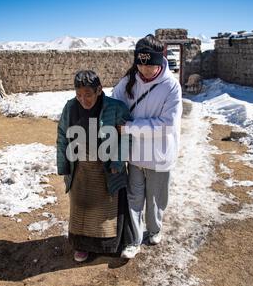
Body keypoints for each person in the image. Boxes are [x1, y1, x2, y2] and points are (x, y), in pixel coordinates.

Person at [112, 34, 183, 259]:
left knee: (155, 200)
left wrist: (130, 127)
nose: (145, 70)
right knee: (134, 199)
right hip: (135, 155)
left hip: (159, 156)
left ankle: (154, 229)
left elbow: (167, 125)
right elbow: (114, 103)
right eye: (140, 64)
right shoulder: (128, 81)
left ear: (159, 60)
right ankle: (133, 241)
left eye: (149, 64)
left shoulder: (171, 87)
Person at [56, 70, 133, 262]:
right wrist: (63, 164)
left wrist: (117, 161)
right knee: (82, 208)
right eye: (79, 95)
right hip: (81, 169)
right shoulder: (70, 108)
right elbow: (62, 136)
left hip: (106, 169)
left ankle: (109, 245)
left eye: (88, 94)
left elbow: (127, 136)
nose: (83, 99)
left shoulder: (115, 108)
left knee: (106, 209)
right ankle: (82, 247)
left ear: (99, 90)